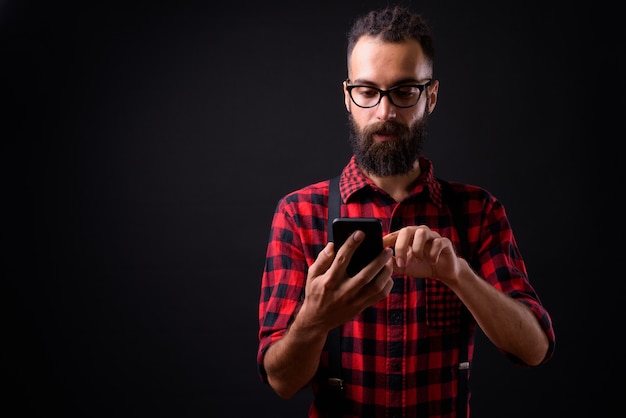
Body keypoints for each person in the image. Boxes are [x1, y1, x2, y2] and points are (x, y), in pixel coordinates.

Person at [257, 5, 555, 418]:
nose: (384, 112)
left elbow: (535, 350)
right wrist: (314, 319)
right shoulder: (298, 215)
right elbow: (282, 382)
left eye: (403, 91)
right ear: (348, 96)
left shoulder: (478, 212)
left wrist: (458, 276)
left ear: (430, 95)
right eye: (367, 91)